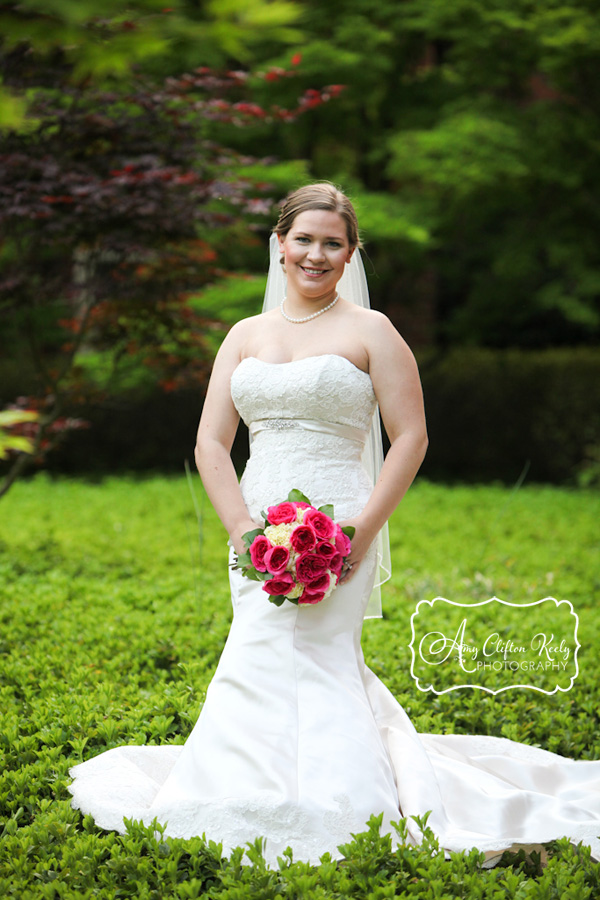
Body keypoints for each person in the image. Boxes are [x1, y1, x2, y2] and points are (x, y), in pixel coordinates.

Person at [68, 183, 600, 866]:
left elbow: (410, 437)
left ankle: (338, 804)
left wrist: (361, 530)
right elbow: (209, 443)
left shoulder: (372, 331)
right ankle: (239, 789)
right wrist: (240, 530)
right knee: (258, 650)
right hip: (256, 524)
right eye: (304, 239)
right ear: (279, 244)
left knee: (318, 656)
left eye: (332, 243)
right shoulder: (244, 336)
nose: (316, 254)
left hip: (341, 524)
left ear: (351, 254)